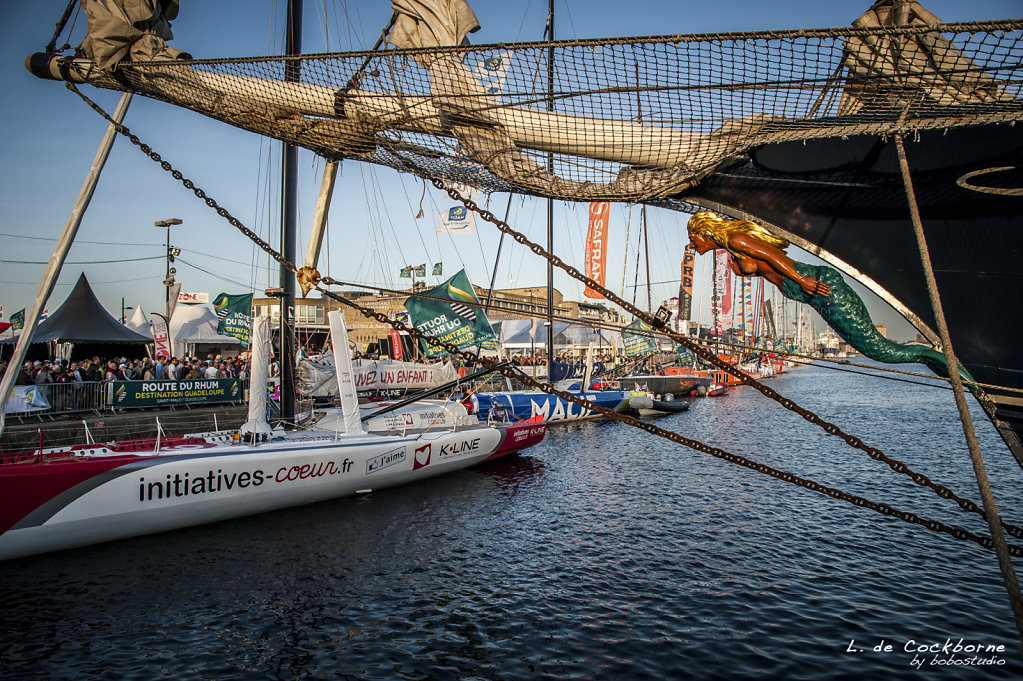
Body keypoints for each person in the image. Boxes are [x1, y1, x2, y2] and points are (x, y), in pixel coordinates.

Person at [686, 211, 830, 298]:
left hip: (815, 283)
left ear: (703, 234)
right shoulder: (733, 249)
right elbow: (767, 267)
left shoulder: (735, 240)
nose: (691, 246)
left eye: (692, 239)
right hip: (797, 286)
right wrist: (747, 274)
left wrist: (801, 279)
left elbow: (772, 256)